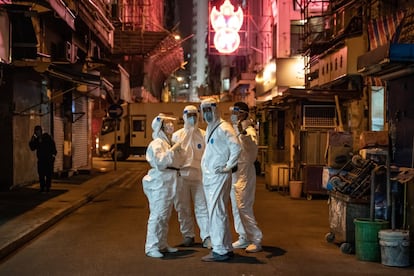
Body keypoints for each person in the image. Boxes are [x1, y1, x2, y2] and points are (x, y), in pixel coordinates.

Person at [200, 98, 241, 262]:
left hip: (218, 176)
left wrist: (228, 166)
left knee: (216, 212)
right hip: (212, 176)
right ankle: (225, 247)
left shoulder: (224, 127)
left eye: (209, 110)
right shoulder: (211, 128)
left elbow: (236, 147)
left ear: (215, 110)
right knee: (219, 212)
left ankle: (219, 250)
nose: (207, 114)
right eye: (204, 111)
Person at [142, 113, 183, 258]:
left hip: (168, 181)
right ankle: (151, 246)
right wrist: (172, 151)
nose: (170, 126)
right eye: (167, 124)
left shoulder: (166, 142)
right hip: (159, 182)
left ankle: (162, 244)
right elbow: (160, 162)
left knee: (165, 215)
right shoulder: (157, 144)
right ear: (160, 127)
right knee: (157, 215)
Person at [172, 105, 211, 248]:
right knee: (183, 207)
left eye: (195, 115)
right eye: (189, 115)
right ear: (184, 117)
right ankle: (188, 235)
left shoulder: (203, 135)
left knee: (202, 207)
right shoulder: (177, 136)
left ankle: (206, 236)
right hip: (181, 176)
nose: (192, 118)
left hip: (198, 176)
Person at [229, 102, 263, 253]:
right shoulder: (236, 128)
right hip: (235, 172)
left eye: (237, 112)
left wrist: (242, 133)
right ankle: (243, 236)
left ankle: (256, 238)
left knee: (244, 206)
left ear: (243, 113)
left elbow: (250, 145)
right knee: (236, 207)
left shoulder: (248, 130)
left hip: (245, 172)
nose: (234, 115)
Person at [29, 125, 57, 193]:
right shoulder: (36, 140)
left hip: (48, 159)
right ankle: (42, 187)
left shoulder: (47, 137)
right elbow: (33, 148)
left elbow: (53, 147)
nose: (37, 133)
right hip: (41, 160)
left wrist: (53, 156)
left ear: (41, 131)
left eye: (38, 131)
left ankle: (47, 187)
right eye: (36, 132)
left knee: (48, 174)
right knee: (41, 174)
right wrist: (32, 141)